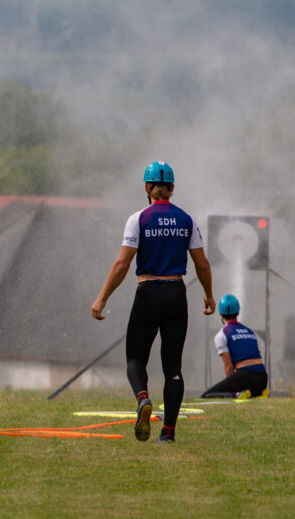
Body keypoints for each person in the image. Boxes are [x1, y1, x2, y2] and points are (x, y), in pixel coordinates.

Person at [91, 161, 215, 443]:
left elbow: (122, 264)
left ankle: (143, 399)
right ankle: (168, 432)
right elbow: (202, 264)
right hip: (176, 294)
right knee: (173, 367)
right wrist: (208, 294)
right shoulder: (186, 219)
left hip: (147, 293)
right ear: (172, 188)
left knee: (135, 358)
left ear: (147, 187)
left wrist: (102, 298)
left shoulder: (138, 219)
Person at [201, 294, 267, 399]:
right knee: (247, 385)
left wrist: (232, 386)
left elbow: (229, 366)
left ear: (220, 313)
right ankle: (258, 394)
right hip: (262, 378)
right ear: (238, 312)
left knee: (206, 395)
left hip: (245, 377)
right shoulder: (250, 331)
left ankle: (237, 394)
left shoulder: (221, 335)